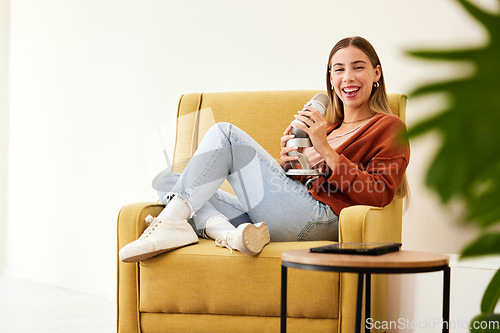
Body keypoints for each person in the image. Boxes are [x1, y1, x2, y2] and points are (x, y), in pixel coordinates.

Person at [119, 36, 410, 263]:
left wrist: (326, 151)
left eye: (358, 67)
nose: (348, 77)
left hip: (323, 220)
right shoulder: (328, 128)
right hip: (288, 215)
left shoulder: (388, 127)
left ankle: (171, 223)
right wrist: (289, 168)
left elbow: (380, 193)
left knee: (225, 134)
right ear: (331, 81)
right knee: (169, 181)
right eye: (339, 69)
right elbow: (309, 185)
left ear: (376, 74)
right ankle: (234, 236)